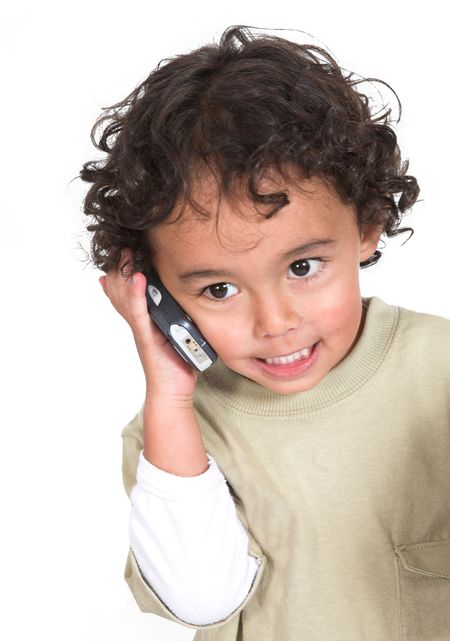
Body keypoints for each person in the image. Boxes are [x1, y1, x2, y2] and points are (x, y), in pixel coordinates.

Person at [80, 24, 450, 641]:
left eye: (303, 268)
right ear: (158, 291)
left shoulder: (439, 372)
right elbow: (201, 600)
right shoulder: (176, 433)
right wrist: (171, 396)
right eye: (218, 290)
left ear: (367, 226)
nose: (275, 324)